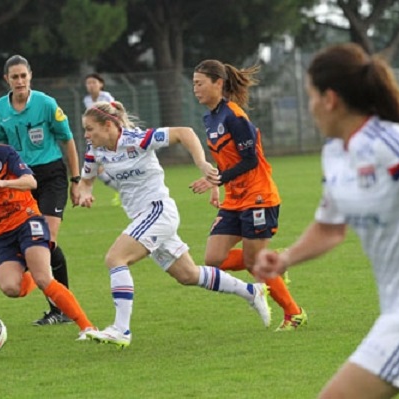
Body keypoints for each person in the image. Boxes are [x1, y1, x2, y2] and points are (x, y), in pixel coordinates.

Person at [253, 43, 399, 399]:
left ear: (330, 99)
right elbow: (330, 227)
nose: (309, 108)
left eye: (310, 96)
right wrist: (286, 258)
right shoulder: (337, 154)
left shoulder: (392, 145)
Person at [77, 100, 272, 348]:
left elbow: (184, 133)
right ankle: (251, 292)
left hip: (158, 211)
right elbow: (86, 179)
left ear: (107, 126)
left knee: (115, 258)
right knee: (188, 275)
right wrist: (85, 191)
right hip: (143, 217)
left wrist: (202, 164)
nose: (86, 134)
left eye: (90, 128)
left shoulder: (138, 139)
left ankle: (121, 329)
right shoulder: (95, 150)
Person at [0, 112, 96, 341]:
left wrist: (2, 182)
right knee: (11, 289)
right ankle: (32, 267)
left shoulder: (3, 153)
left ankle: (87, 327)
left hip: (27, 221)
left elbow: (31, 182)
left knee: (45, 279)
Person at [191, 59, 307, 331]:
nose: (195, 89)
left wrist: (219, 178)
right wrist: (216, 186)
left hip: (258, 196)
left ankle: (294, 313)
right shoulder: (209, 117)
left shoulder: (234, 115)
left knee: (255, 263)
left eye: (199, 83)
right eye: (193, 84)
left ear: (218, 83)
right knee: (213, 260)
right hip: (234, 198)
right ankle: (273, 260)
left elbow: (249, 160)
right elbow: (224, 158)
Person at [0, 54, 80, 326]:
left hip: (51, 174)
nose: (19, 81)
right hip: (21, 180)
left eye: (23, 75)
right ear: (6, 79)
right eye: (14, 76)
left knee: (47, 239)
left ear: (30, 76)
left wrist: (76, 180)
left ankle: (63, 309)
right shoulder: (0, 107)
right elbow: (1, 144)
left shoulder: (46, 104)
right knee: (37, 245)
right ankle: (57, 307)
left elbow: (67, 140)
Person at [82, 72, 121, 206]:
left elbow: (114, 115)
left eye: (94, 82)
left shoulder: (106, 97)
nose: (91, 85)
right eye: (88, 83)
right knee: (97, 169)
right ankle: (121, 190)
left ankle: (123, 190)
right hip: (95, 138)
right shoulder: (86, 100)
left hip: (108, 137)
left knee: (111, 165)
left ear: (101, 84)